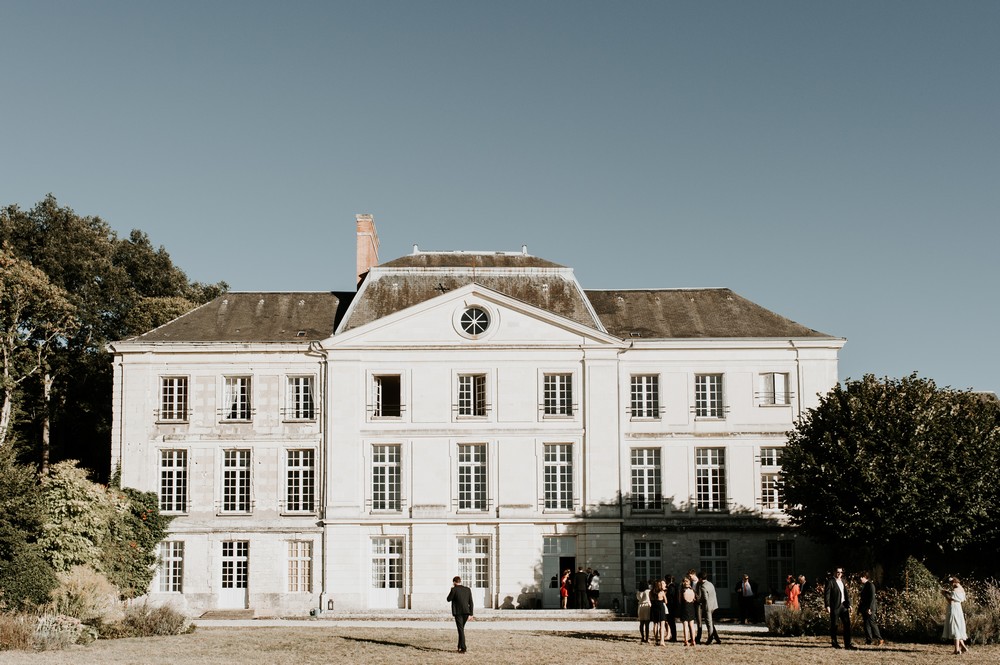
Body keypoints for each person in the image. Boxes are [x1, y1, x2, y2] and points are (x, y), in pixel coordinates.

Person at [824, 567, 857, 649]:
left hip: (844, 606)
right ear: (834, 572)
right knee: (834, 625)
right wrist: (827, 605)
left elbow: (846, 594)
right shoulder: (830, 581)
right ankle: (834, 643)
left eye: (841, 572)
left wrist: (849, 605)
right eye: (838, 572)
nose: (839, 574)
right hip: (835, 606)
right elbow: (827, 595)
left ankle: (848, 644)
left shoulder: (843, 581)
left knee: (847, 624)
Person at [942, 576, 969, 655]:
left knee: (955, 627)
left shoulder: (954, 590)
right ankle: (963, 647)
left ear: (953, 583)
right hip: (959, 608)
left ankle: (957, 650)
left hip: (953, 608)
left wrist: (945, 594)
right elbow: (958, 598)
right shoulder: (961, 589)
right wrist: (948, 592)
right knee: (958, 626)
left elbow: (951, 601)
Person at [447, 575, 474, 653]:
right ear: (460, 581)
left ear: (454, 582)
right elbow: (471, 602)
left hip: (458, 612)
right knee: (461, 629)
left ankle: (463, 648)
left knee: (460, 630)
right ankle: (459, 646)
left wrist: (451, 591)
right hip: (466, 612)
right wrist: (471, 614)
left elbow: (448, 599)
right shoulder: (467, 589)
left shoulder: (454, 589)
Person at [695, 570, 721, 644]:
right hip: (713, 605)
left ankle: (710, 638)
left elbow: (705, 598)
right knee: (711, 622)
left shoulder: (703, 586)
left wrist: (698, 600)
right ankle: (717, 638)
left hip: (707, 606)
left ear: (700, 578)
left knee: (709, 623)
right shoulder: (710, 584)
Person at [858, 572, 883, 646]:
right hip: (864, 608)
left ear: (865, 577)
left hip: (870, 608)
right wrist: (859, 609)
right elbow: (862, 599)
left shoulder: (870, 585)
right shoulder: (864, 586)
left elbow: (872, 598)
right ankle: (869, 640)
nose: (860, 578)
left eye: (861, 577)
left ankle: (880, 639)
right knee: (866, 624)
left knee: (872, 623)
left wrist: (869, 608)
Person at [680, 577, 698, 647]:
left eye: (685, 581)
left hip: (685, 606)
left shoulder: (682, 590)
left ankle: (686, 641)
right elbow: (694, 599)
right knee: (692, 625)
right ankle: (693, 640)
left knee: (685, 625)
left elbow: (680, 600)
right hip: (691, 607)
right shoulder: (692, 590)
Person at [650, 579, 668, 646]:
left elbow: (650, 600)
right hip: (660, 607)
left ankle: (656, 639)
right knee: (662, 625)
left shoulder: (651, 592)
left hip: (654, 607)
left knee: (655, 624)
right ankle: (662, 640)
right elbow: (666, 601)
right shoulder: (662, 592)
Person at [665, 574, 679, 642]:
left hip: (671, 606)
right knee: (671, 623)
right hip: (672, 606)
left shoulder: (671, 587)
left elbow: (670, 597)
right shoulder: (674, 586)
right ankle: (673, 636)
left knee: (671, 622)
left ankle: (674, 637)